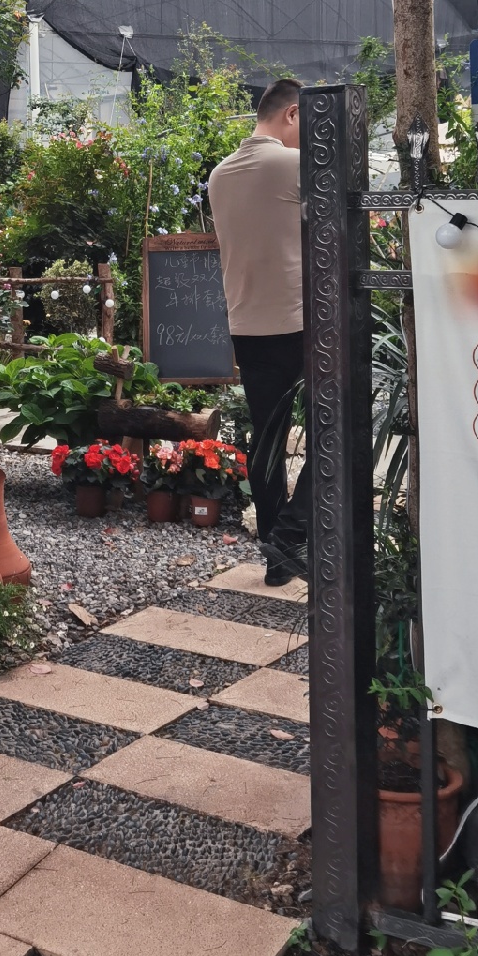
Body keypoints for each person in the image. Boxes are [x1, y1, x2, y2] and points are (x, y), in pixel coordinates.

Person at [207, 78, 309, 586]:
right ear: (291, 114)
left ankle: (276, 557)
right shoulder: (293, 165)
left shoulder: (219, 175)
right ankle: (289, 534)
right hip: (300, 323)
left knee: (267, 440)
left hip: (246, 326)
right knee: (340, 428)